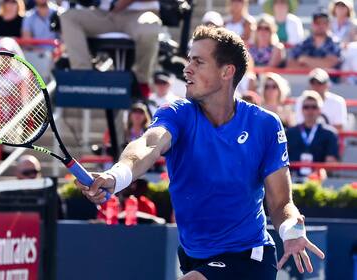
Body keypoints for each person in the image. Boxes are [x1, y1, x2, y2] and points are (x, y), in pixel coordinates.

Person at [75, 25, 325, 279]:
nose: (187, 69)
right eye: (188, 60)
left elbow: (281, 202)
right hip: (194, 255)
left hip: (249, 257)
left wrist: (291, 232)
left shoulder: (265, 125)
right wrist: (117, 176)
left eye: (199, 62)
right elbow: (148, 145)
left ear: (227, 71)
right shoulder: (178, 114)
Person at [59, 0, 161, 97]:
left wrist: (122, 3)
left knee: (149, 29)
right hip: (105, 14)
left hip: (140, 14)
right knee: (68, 17)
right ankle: (84, 77)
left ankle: (141, 81)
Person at [287, 90, 339, 177]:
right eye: (306, 107)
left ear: (320, 110)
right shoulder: (290, 132)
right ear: (302, 110)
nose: (310, 110)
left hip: (319, 180)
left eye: (314, 107)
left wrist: (319, 172)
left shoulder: (330, 133)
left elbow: (331, 164)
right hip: (293, 178)